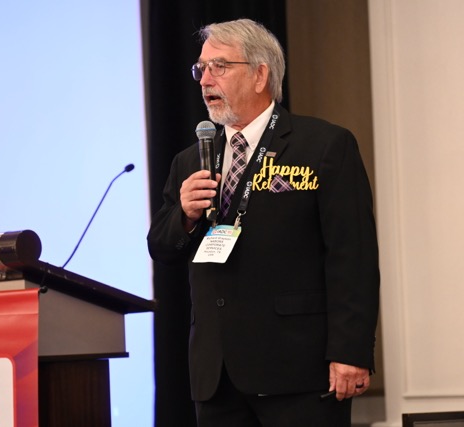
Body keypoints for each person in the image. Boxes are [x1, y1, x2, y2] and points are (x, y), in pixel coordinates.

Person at [147, 18, 380, 427]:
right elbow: (161, 249)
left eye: (219, 66)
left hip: (299, 372)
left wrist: (351, 352)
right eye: (201, 69)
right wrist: (183, 215)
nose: (205, 80)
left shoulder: (324, 146)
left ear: (260, 75)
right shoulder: (191, 159)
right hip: (218, 378)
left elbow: (353, 257)